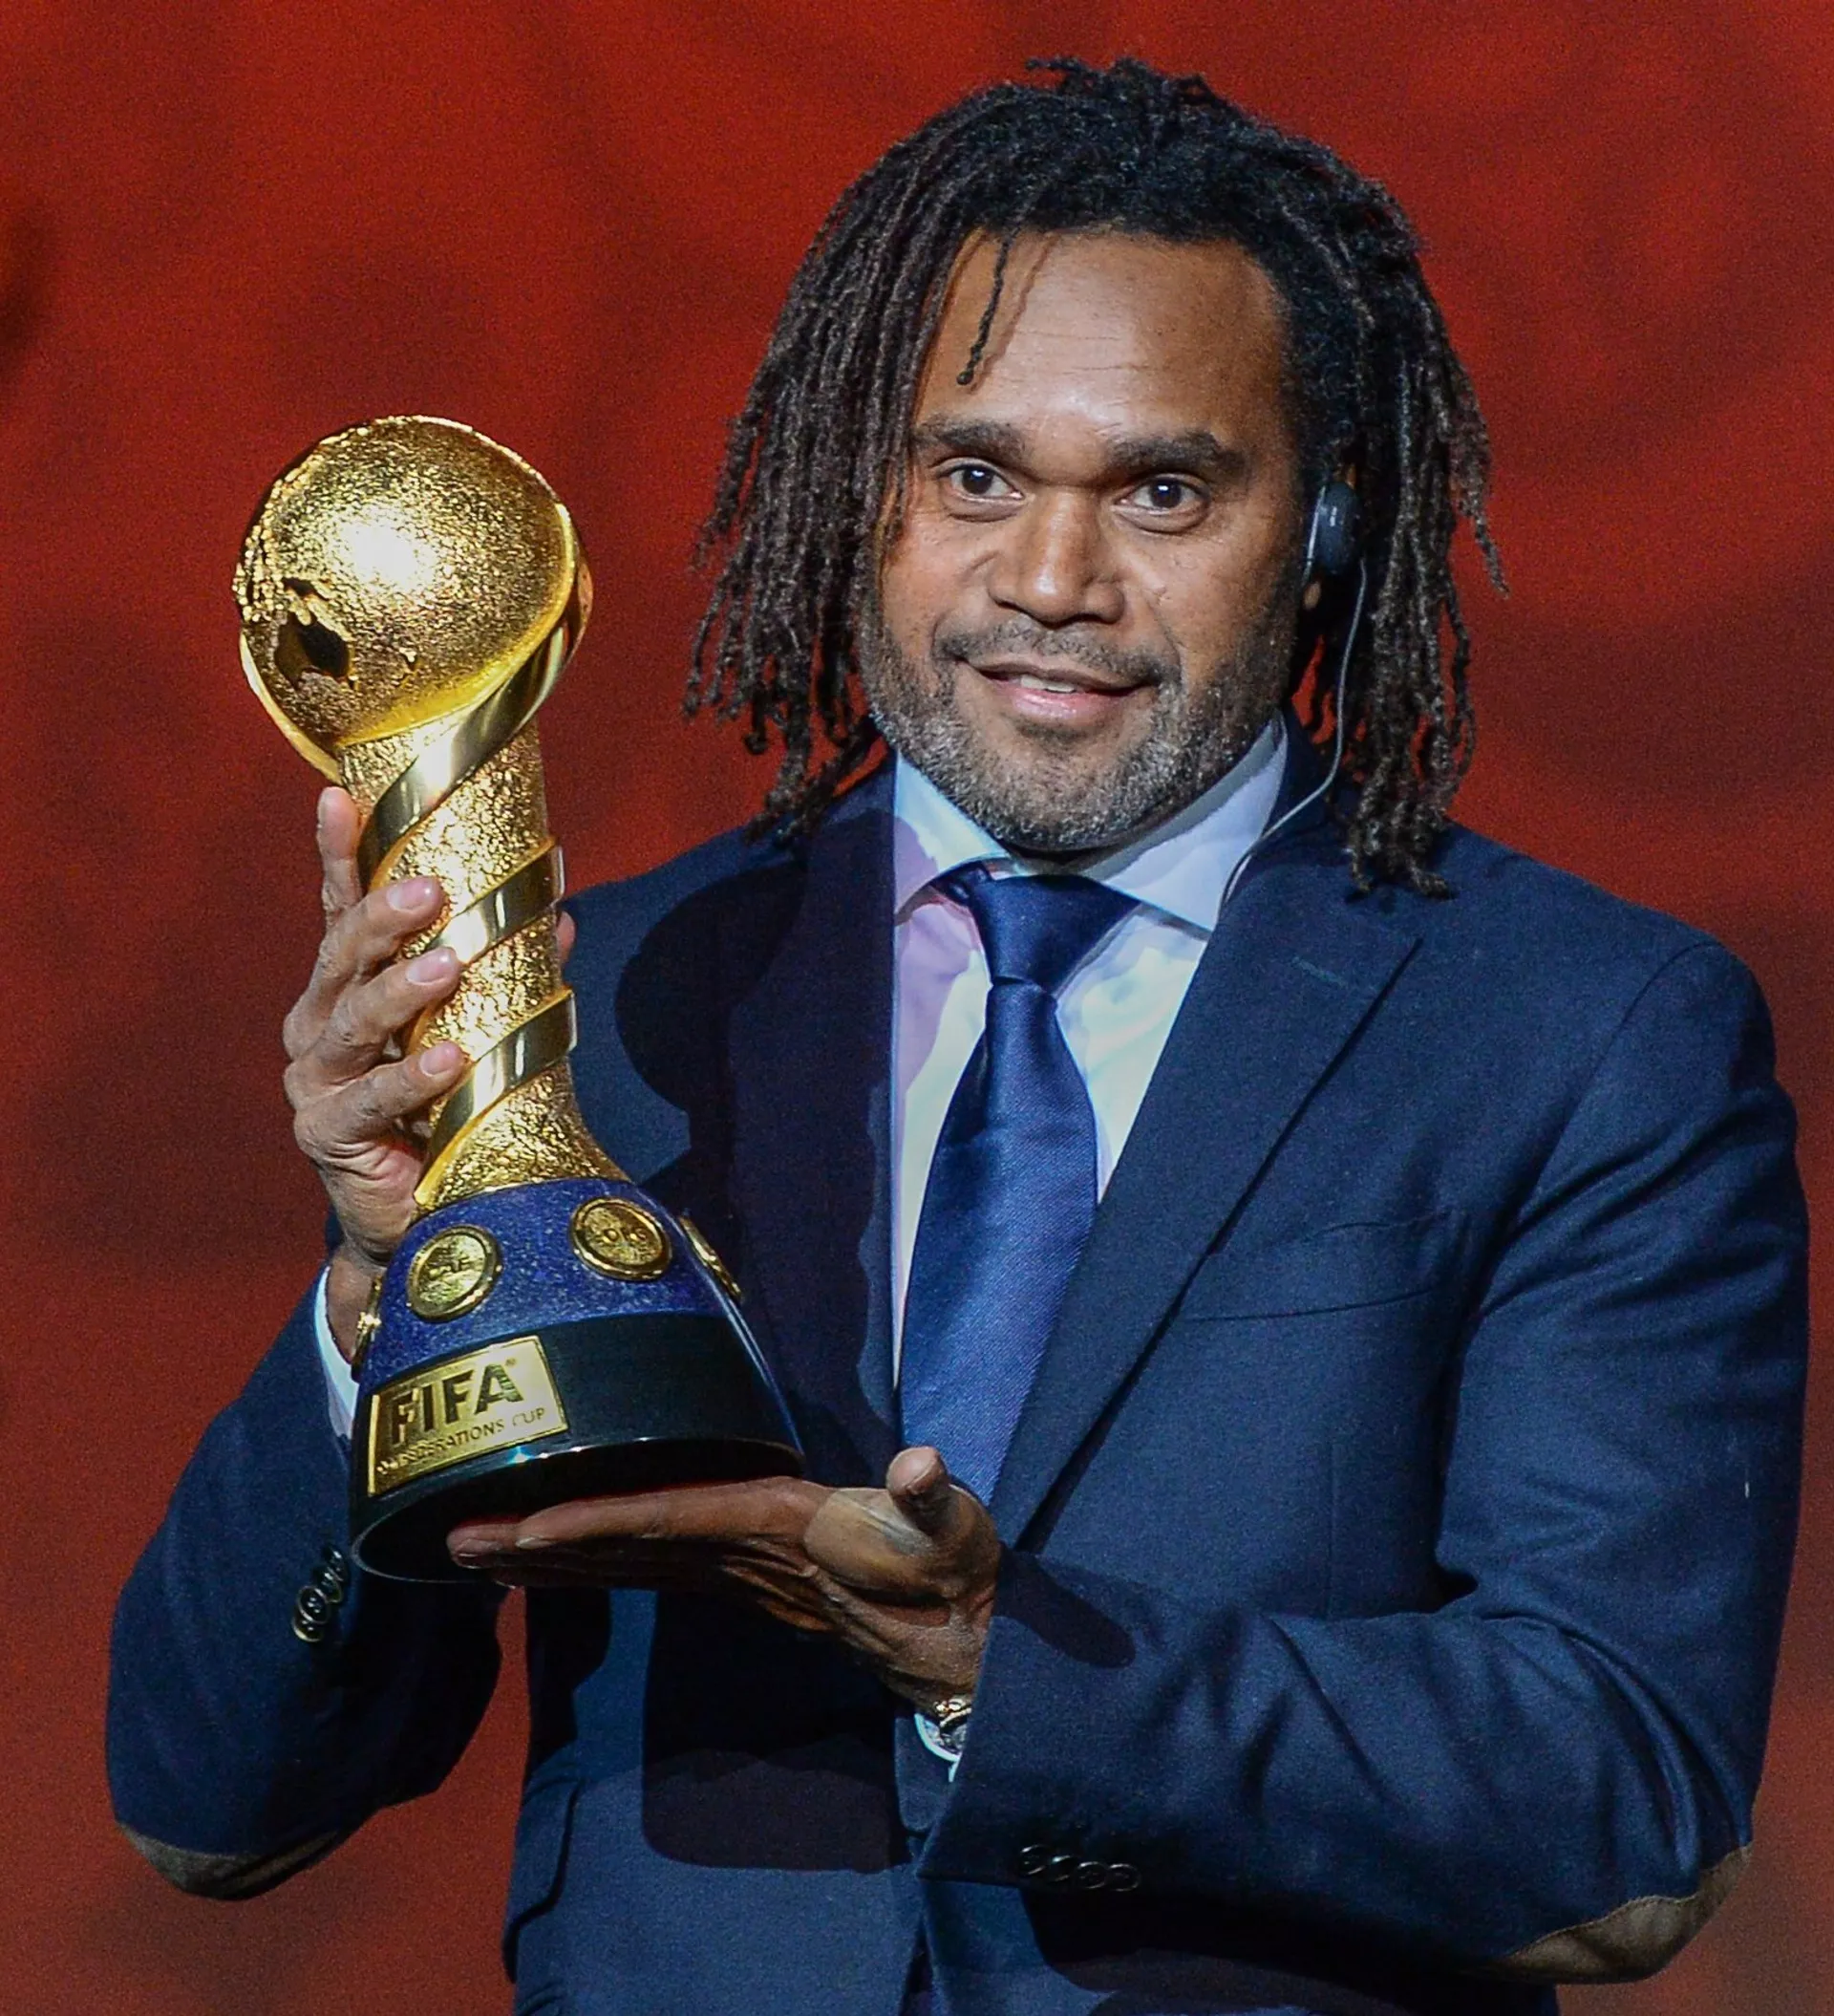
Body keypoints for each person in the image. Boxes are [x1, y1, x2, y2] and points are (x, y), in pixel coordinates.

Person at [108, 58, 1807, 2016]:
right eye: (975, 476)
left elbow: (1621, 1820)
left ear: (1326, 518)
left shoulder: (1583, 1032)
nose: (1052, 584)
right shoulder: (614, 1010)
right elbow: (209, 1807)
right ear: (866, 491)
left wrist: (999, 1665)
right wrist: (375, 1297)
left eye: (1164, 489)